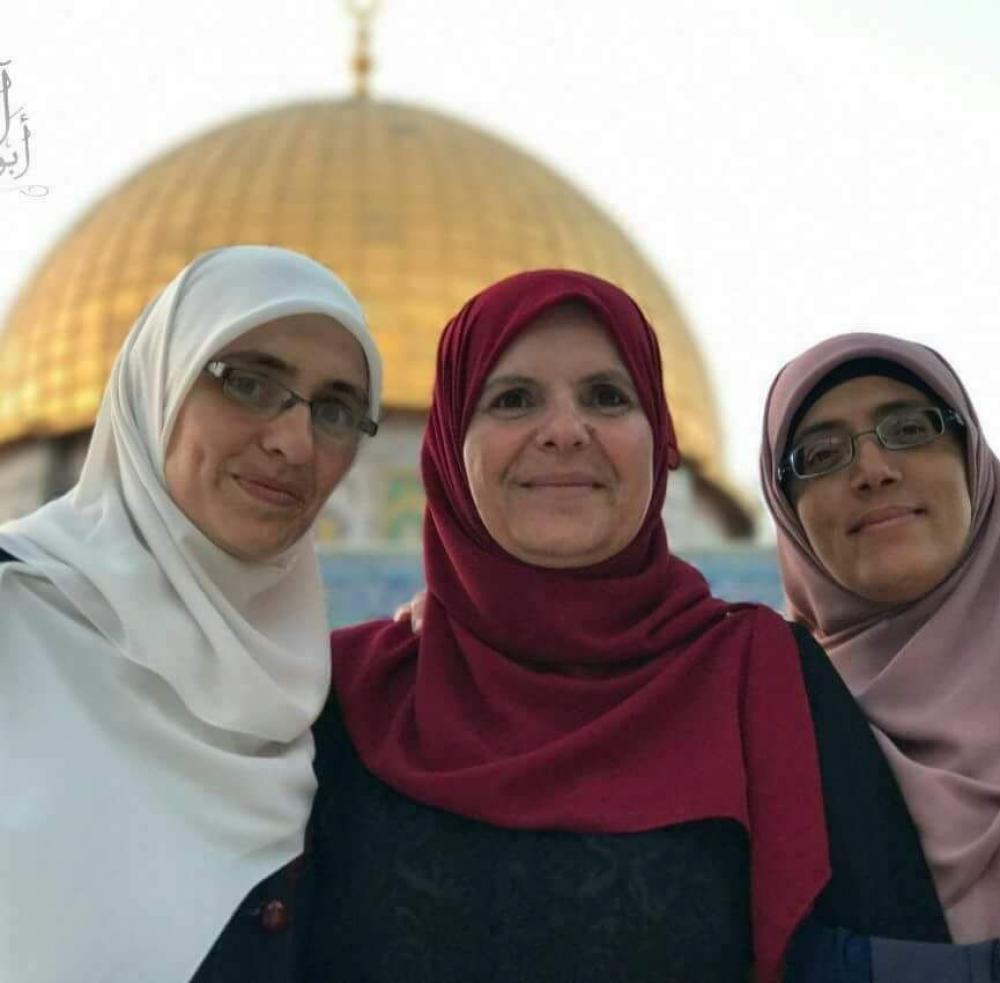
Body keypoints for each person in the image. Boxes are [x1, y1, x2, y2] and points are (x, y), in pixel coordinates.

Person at [305, 272, 945, 983]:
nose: (564, 431)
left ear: (660, 439)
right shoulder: (346, 691)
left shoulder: (760, 677)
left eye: (607, 396)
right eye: (513, 399)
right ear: (450, 446)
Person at [0, 245, 382, 983]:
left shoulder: (335, 707)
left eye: (335, 411)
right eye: (249, 382)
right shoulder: (18, 618)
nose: (293, 443)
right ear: (159, 387)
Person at [761, 331, 1000, 977]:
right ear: (788, 510)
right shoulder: (767, 723)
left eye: (910, 429)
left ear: (971, 457)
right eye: (821, 454)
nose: (873, 470)